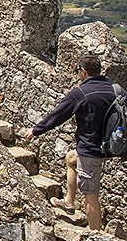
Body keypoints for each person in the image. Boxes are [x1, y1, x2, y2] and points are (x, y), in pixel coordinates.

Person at [21, 53, 118, 231]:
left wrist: (36, 130)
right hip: (109, 145)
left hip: (91, 149)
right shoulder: (114, 90)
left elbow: (58, 115)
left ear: (83, 71)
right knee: (71, 159)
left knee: (90, 195)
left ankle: (95, 237)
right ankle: (69, 202)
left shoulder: (81, 92)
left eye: (78, 70)